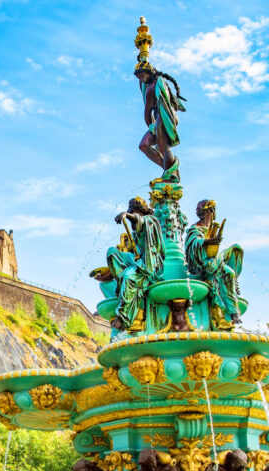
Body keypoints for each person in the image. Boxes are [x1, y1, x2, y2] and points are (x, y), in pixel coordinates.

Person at [184, 199, 243, 327]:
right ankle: (233, 312)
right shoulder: (196, 228)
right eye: (211, 210)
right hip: (202, 264)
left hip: (213, 260)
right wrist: (209, 241)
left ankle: (232, 284)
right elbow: (192, 243)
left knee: (237, 249)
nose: (212, 212)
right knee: (228, 273)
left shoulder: (212, 227)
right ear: (208, 211)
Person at [109, 197, 165, 330]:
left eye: (133, 211)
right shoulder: (135, 229)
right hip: (136, 260)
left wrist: (127, 215)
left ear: (140, 211)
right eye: (129, 210)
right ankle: (122, 279)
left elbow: (143, 222)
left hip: (149, 263)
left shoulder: (152, 221)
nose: (130, 212)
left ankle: (124, 318)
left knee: (129, 276)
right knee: (112, 252)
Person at [136, 65, 186, 182]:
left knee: (163, 146)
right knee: (144, 145)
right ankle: (169, 170)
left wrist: (151, 126)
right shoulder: (158, 82)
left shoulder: (152, 88)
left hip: (163, 117)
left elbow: (147, 112)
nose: (141, 80)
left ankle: (170, 173)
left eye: (142, 76)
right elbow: (141, 85)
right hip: (166, 116)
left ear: (149, 73)